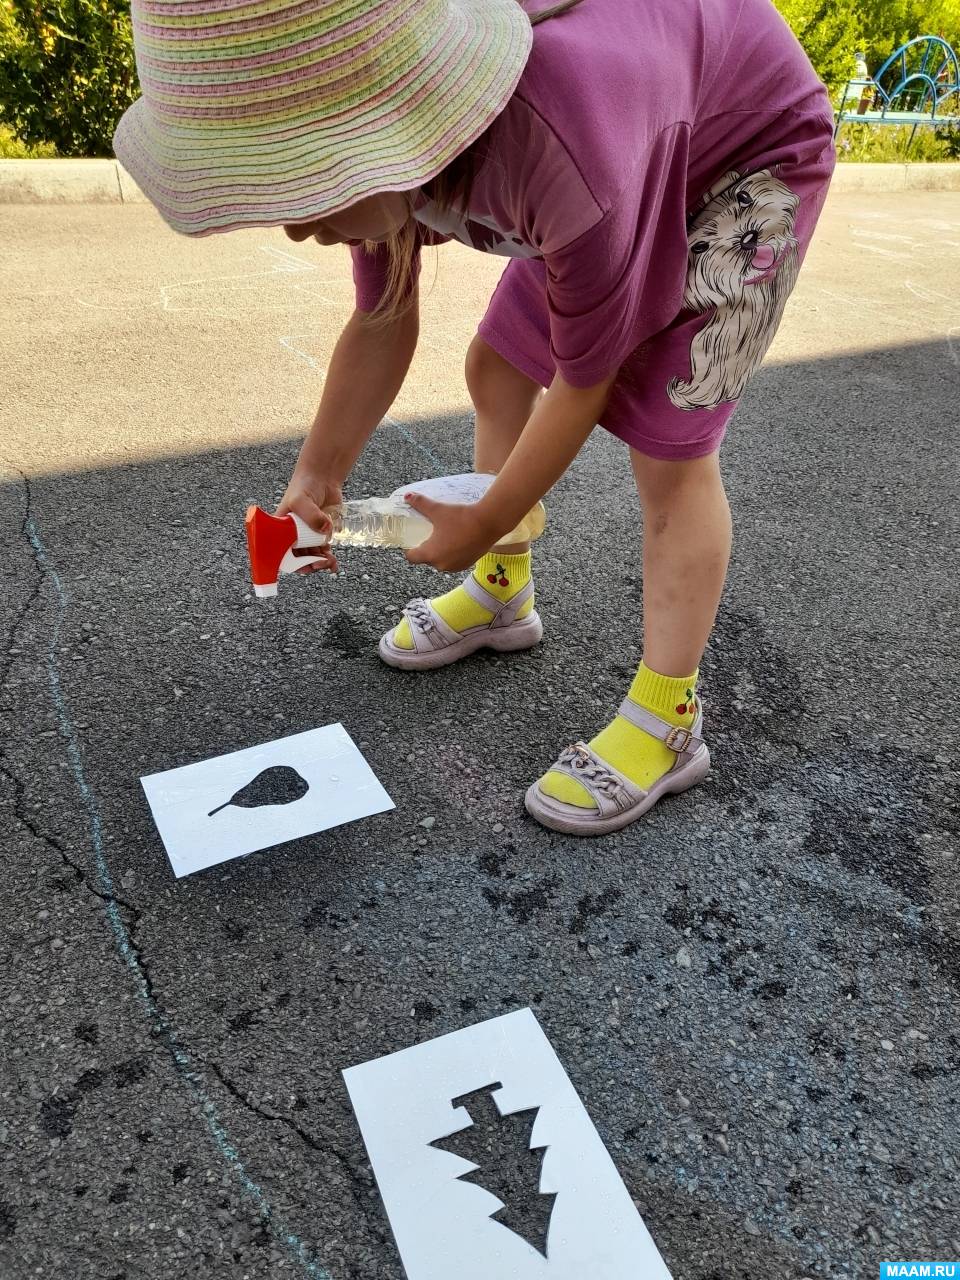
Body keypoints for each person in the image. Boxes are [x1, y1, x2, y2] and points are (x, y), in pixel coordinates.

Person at [114, 0, 836, 835]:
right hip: (623, 144)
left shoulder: (554, 157)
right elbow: (383, 318)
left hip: (744, 158)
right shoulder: (382, 136)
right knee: (496, 362)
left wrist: (487, 515)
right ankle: (504, 590)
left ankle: (669, 719)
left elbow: (585, 381)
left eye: (302, 184)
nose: (295, 223)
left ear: (375, 129)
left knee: (669, 447)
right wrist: (318, 475)